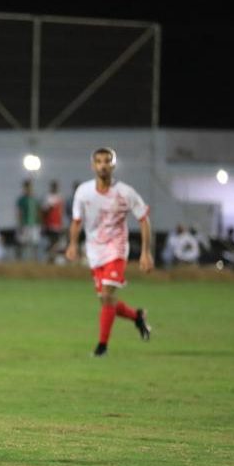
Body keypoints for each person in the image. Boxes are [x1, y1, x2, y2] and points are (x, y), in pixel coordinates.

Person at [65, 147, 153, 357]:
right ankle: (137, 316)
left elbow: (144, 219)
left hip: (116, 250)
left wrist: (145, 252)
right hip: (94, 252)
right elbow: (76, 221)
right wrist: (72, 244)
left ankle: (102, 347)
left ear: (113, 165)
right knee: (106, 300)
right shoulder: (83, 191)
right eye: (99, 161)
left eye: (107, 161)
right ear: (93, 165)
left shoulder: (125, 192)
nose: (103, 165)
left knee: (106, 295)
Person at [16, 179, 42, 261]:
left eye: (29, 187)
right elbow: (19, 213)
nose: (28, 189)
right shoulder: (21, 199)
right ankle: (19, 259)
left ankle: (35, 259)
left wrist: (39, 223)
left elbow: (38, 212)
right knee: (22, 242)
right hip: (25, 224)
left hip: (34, 224)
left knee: (35, 242)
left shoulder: (35, 199)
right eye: (26, 187)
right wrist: (20, 224)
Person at [43, 180, 65, 262]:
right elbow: (45, 210)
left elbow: (61, 211)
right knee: (51, 240)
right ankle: (50, 256)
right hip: (50, 223)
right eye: (54, 186)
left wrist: (61, 223)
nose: (55, 188)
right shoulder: (48, 197)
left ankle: (52, 256)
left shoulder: (60, 197)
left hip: (57, 223)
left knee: (56, 241)